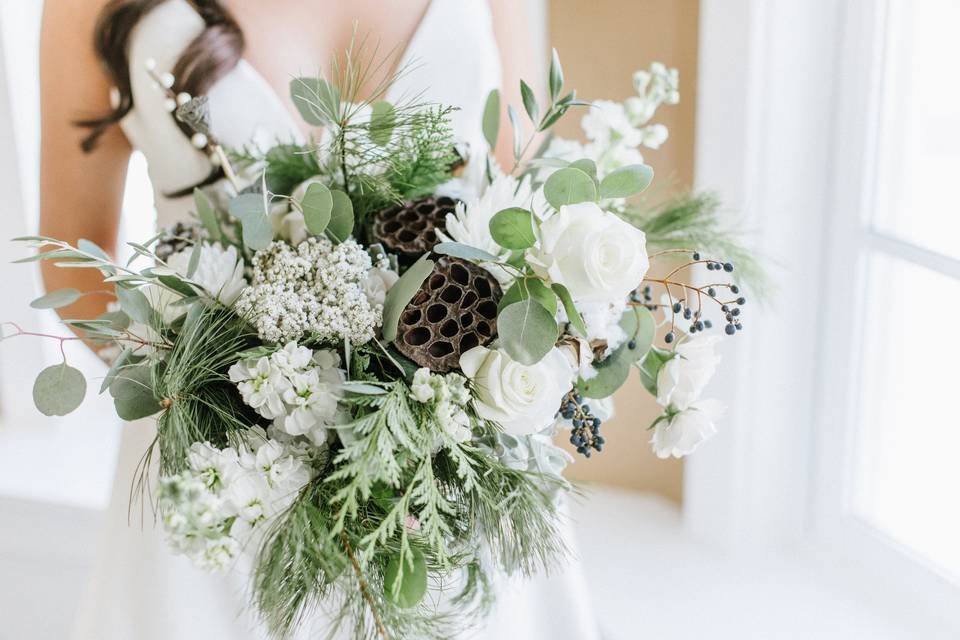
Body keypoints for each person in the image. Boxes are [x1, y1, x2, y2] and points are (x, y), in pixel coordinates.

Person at [39, 1, 600, 639]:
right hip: (215, 478)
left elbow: (516, 197)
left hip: (451, 473)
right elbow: (73, 262)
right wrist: (215, 389)